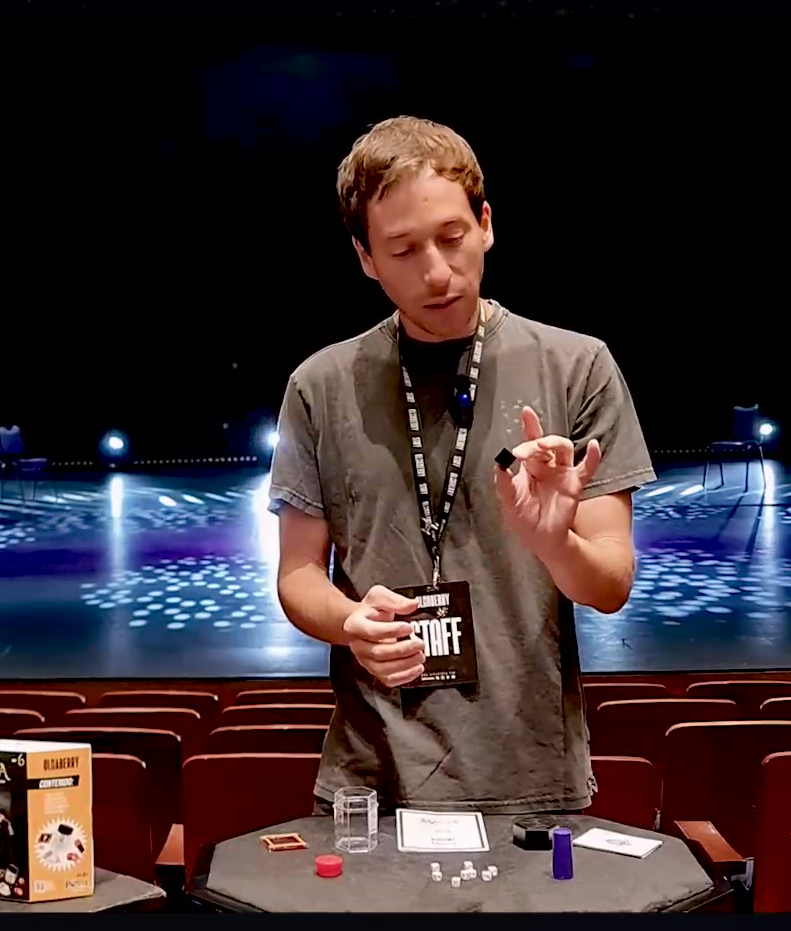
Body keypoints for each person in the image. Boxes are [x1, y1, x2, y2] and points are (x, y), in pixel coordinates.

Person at [269, 116, 654, 815]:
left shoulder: (577, 367)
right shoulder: (319, 387)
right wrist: (351, 621)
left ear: (486, 224)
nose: (438, 272)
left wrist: (553, 543)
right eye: (403, 250)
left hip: (531, 777)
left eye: (451, 238)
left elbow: (610, 585)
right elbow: (298, 575)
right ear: (365, 258)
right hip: (370, 780)